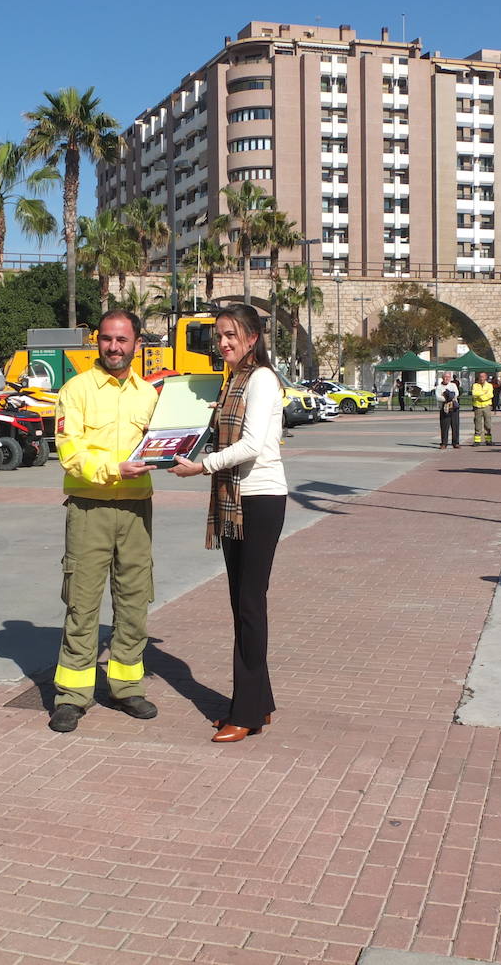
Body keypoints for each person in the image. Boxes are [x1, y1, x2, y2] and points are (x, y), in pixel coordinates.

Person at [169, 305, 285, 743]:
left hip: (260, 499)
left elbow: (253, 444)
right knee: (243, 603)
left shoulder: (261, 379)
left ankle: (247, 712)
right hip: (236, 499)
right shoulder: (233, 380)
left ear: (253, 338)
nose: (223, 343)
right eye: (219, 336)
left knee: (250, 605)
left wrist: (202, 467)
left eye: (231, 335)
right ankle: (262, 702)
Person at [48, 309, 159, 734]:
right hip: (89, 507)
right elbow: (69, 452)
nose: (114, 347)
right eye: (108, 339)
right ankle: (72, 696)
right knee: (82, 602)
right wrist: (115, 468)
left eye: (123, 340)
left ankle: (126, 687)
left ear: (135, 345)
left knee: (134, 600)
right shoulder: (75, 390)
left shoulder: (148, 395)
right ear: (98, 340)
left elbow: (160, 442)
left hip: (136, 509)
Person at [436, 372, 459, 448]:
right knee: (444, 427)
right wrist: (448, 398)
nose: (447, 378)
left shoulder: (453, 385)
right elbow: (438, 397)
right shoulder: (439, 387)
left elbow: (456, 394)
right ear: (442, 378)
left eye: (448, 377)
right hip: (444, 408)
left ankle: (455, 443)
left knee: (455, 426)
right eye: (445, 377)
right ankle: (444, 443)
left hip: (454, 408)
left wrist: (446, 396)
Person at [471, 371, 495, 445]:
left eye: (483, 377)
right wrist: (483, 393)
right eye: (480, 377)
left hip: (487, 406)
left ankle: (488, 440)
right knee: (477, 423)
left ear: (486, 377)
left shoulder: (489, 385)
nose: (481, 378)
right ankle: (477, 440)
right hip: (477, 406)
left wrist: (481, 397)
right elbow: (474, 393)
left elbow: (490, 395)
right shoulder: (475, 385)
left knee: (488, 423)